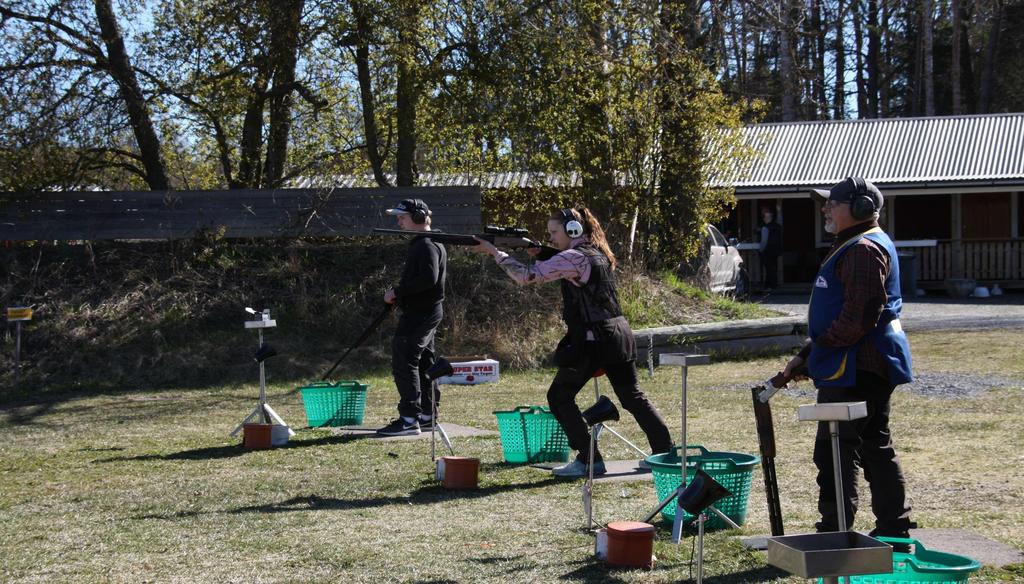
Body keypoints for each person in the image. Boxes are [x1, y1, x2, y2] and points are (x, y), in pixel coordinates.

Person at [470, 207, 672, 477]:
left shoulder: (573, 256)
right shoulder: (596, 252)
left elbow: (526, 276)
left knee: (559, 397)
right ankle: (664, 452)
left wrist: (497, 254)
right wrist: (540, 252)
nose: (551, 238)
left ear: (573, 231)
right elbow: (569, 266)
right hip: (617, 334)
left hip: (593, 340)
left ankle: (589, 460)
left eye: (555, 232)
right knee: (633, 397)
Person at [782, 177, 916, 539]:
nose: (825, 209)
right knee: (871, 445)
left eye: (832, 203)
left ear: (858, 209)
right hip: (857, 364)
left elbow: (859, 316)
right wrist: (807, 355)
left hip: (857, 367)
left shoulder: (863, 250)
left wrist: (817, 353)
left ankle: (837, 532)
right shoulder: (855, 245)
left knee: (835, 452)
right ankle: (892, 527)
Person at [376, 199, 447, 437]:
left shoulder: (426, 245)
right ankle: (427, 415)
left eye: (402, 217)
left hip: (421, 313)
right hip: (425, 310)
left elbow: (429, 278)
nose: (399, 221)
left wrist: (397, 292)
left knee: (405, 360)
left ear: (417, 217)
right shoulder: (429, 242)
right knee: (426, 363)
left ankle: (409, 419)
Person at [758, 207, 782, 292]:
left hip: (767, 251)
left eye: (764, 217)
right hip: (775, 251)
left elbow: (764, 241)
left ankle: (769, 285)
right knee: (773, 268)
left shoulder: (765, 228)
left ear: (765, 218)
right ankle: (773, 285)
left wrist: (760, 250)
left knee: (768, 269)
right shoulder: (777, 226)